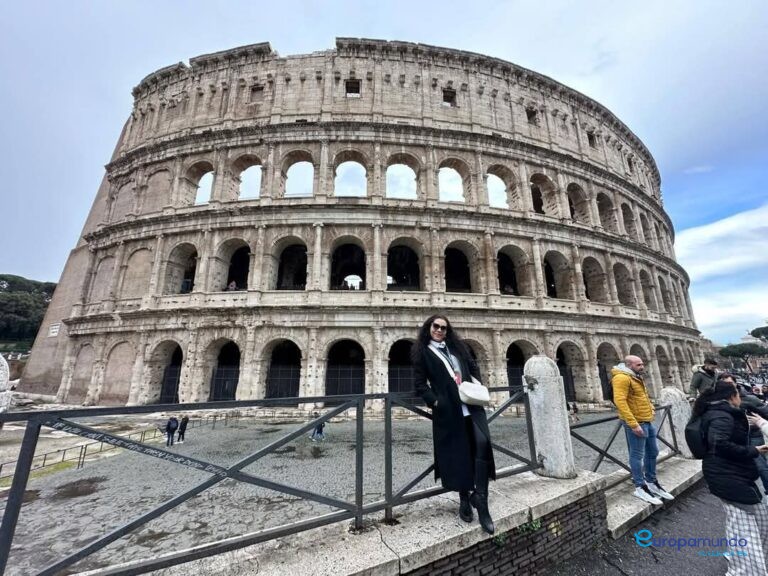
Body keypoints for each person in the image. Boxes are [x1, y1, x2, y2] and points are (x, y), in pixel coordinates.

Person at [412, 314, 496, 534]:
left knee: (482, 446)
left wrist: (476, 383)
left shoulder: (457, 348)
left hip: (472, 406)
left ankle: (481, 499)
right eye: (436, 326)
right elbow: (420, 384)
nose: (440, 330)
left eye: (444, 328)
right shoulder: (423, 352)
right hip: (449, 411)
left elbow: (472, 366)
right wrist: (436, 402)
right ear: (428, 328)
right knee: (459, 455)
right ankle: (465, 500)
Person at [695, 375, 768, 574]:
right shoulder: (722, 416)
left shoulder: (723, 413)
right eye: (737, 392)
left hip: (734, 473)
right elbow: (720, 443)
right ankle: (745, 570)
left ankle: (750, 563)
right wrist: (755, 450)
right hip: (726, 475)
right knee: (743, 525)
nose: (740, 395)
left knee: (759, 518)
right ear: (732, 396)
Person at [611, 355, 674, 505]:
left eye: (642, 364)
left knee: (653, 452)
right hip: (636, 422)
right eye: (639, 364)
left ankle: (651, 481)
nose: (642, 366)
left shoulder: (634, 376)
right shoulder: (622, 378)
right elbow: (620, 401)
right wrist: (633, 424)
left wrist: (651, 409)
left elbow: (642, 397)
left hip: (646, 420)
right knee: (637, 455)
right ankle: (640, 486)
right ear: (629, 365)